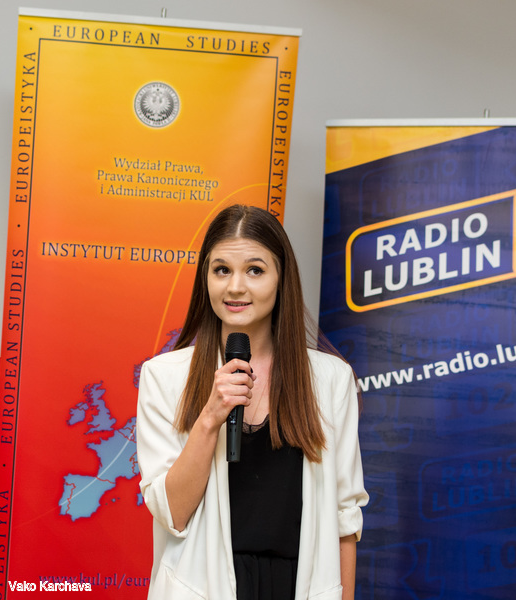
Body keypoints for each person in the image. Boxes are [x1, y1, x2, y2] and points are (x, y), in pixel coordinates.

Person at [136, 204, 368, 600]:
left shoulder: (331, 379)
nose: (235, 287)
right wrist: (210, 417)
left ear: (281, 278)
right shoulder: (165, 376)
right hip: (203, 589)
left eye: (255, 270)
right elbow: (172, 513)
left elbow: (344, 518)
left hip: (297, 587)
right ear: (205, 279)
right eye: (221, 270)